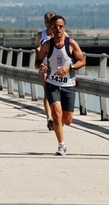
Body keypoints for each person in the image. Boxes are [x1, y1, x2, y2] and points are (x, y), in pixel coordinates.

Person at [35, 15, 86, 156]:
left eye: (61, 26)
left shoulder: (71, 44)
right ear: (50, 28)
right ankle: (61, 145)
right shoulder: (47, 45)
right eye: (55, 26)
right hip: (52, 83)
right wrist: (41, 65)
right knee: (56, 114)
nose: (58, 29)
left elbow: (82, 61)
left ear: (64, 27)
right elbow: (37, 61)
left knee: (67, 120)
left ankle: (61, 124)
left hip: (68, 84)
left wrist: (70, 68)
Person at [35, 12, 57, 131]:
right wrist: (38, 61)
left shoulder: (60, 34)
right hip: (44, 66)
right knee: (47, 92)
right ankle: (49, 118)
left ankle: (56, 116)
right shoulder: (40, 35)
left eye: (51, 21)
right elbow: (37, 47)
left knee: (58, 92)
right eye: (47, 22)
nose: (49, 24)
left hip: (57, 67)